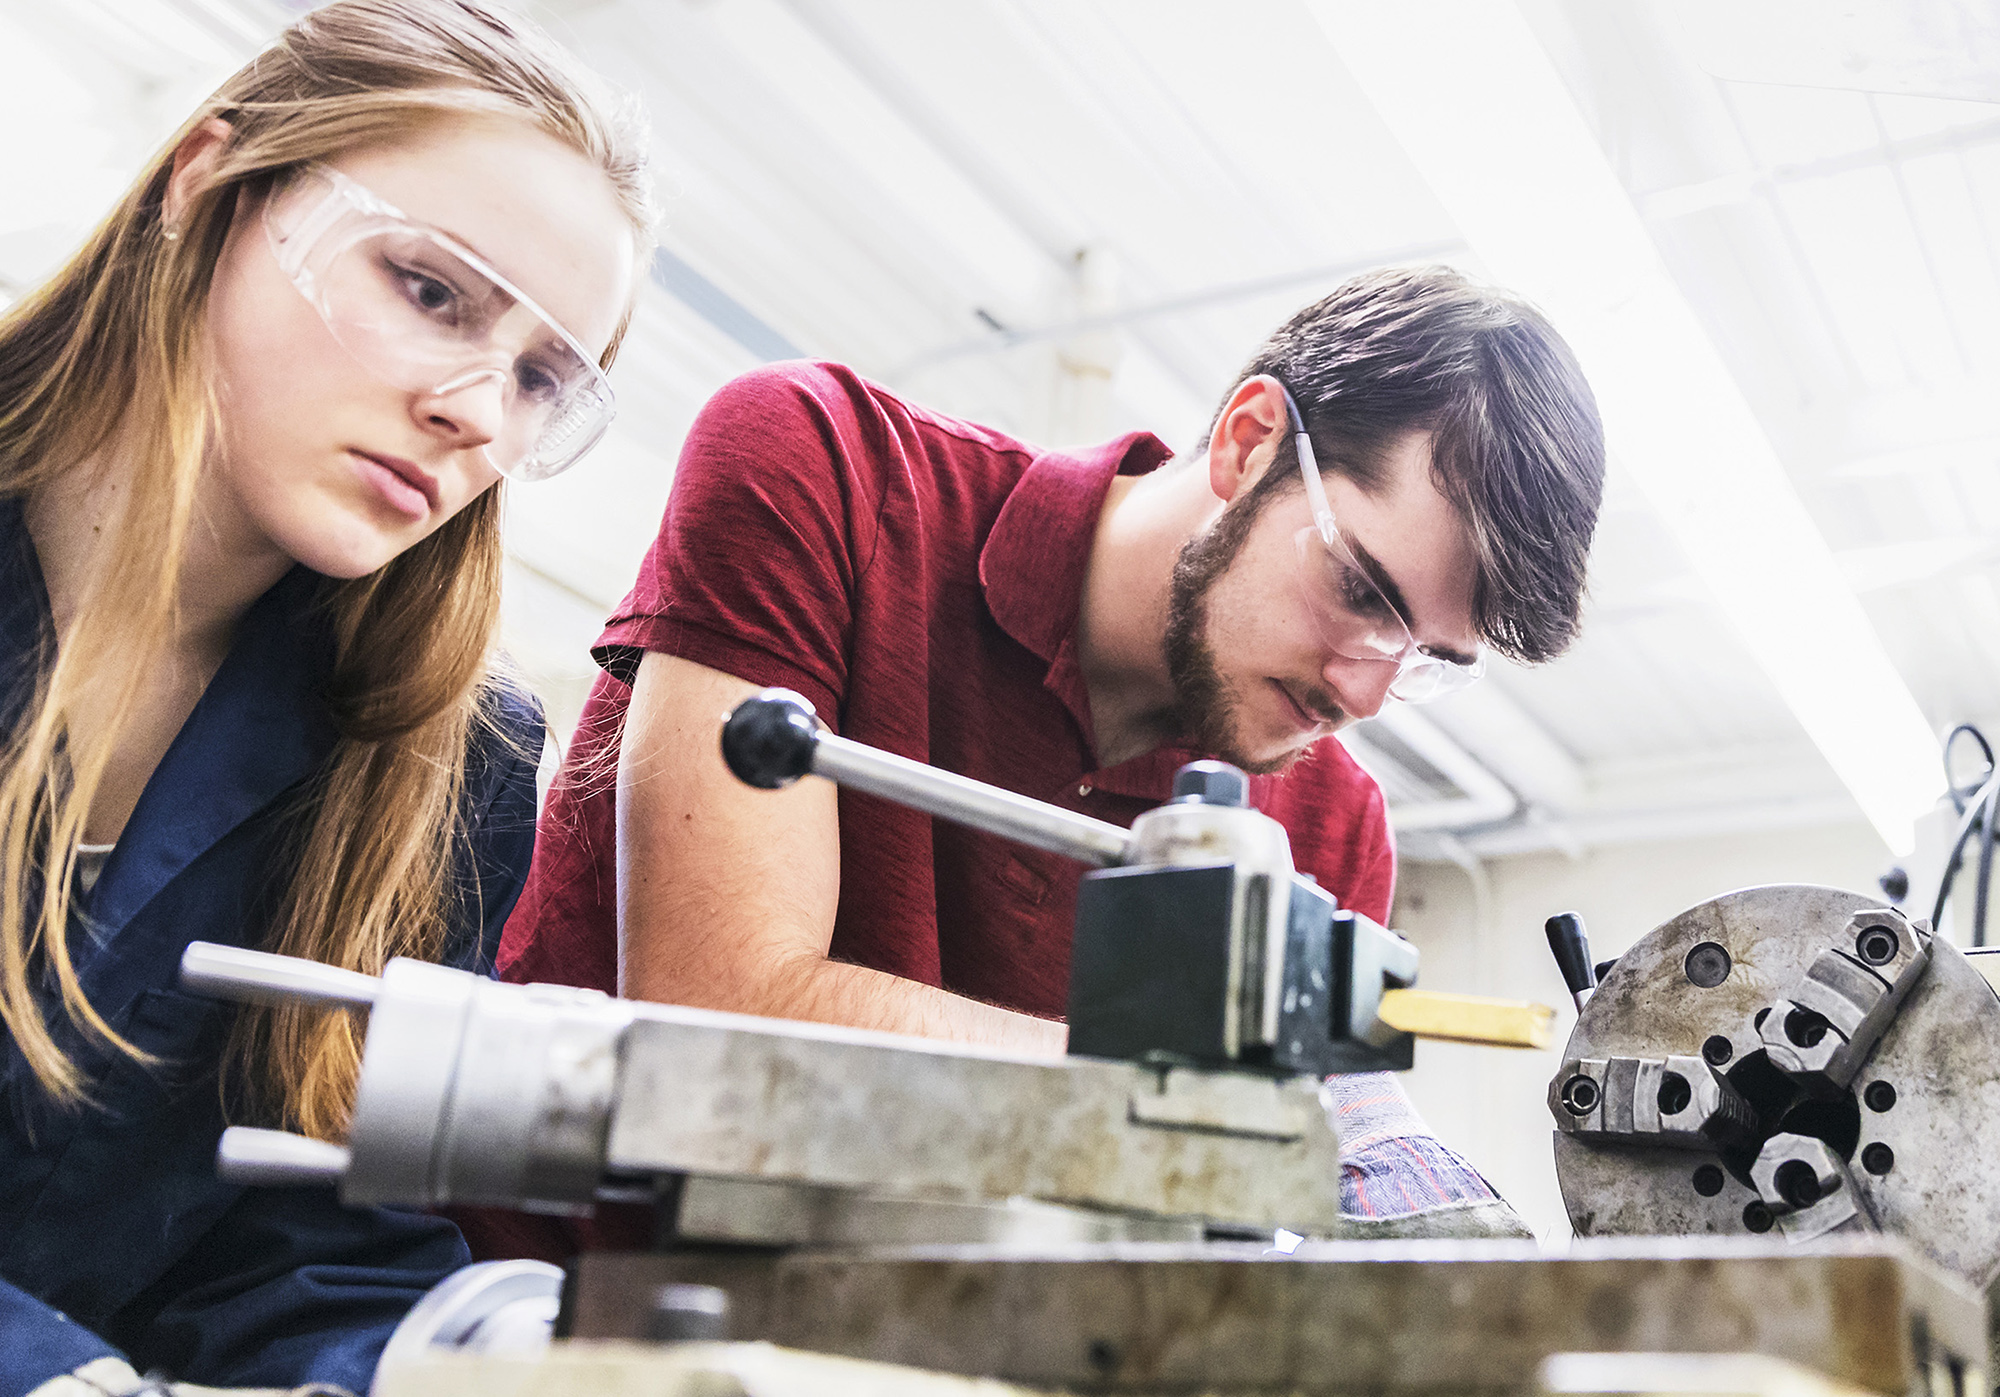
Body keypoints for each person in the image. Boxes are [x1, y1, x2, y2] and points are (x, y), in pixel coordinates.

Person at [489, 266, 1603, 1253]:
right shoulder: (825, 467)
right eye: (1360, 592)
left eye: (1425, 661)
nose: (1359, 693)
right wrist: (1199, 1106)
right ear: (1248, 440)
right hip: (547, 1312)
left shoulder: (1331, 823)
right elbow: (717, 1028)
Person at [0, 1, 652, 1390]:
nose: (480, 408)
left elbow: (293, 1240)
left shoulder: (448, 765)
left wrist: (466, 1353)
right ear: (207, 183)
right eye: (430, 289)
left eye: (543, 376)